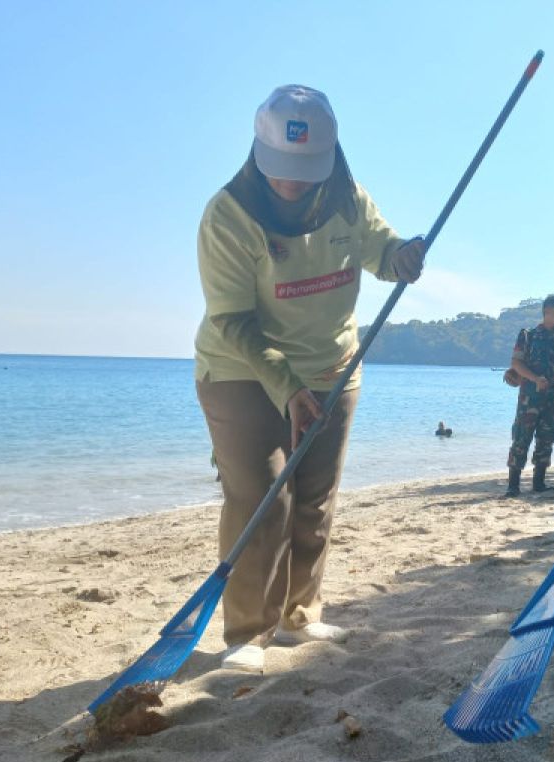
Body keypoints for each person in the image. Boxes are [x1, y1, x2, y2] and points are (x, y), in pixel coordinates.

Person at [194, 85, 425, 671]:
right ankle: (248, 632)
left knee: (314, 500)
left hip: (332, 367)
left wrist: (402, 256)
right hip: (242, 370)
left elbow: (381, 251)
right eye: (280, 170)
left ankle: (300, 614)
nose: (291, 184)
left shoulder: (348, 199)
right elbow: (232, 321)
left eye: (305, 171)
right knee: (262, 498)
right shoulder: (228, 214)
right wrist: (287, 387)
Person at [505, 296, 554, 497]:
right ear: (547, 312)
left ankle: (539, 482)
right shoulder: (528, 336)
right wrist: (535, 379)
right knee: (521, 438)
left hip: (552, 397)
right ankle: (513, 485)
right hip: (530, 398)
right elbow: (516, 364)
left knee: (546, 439)